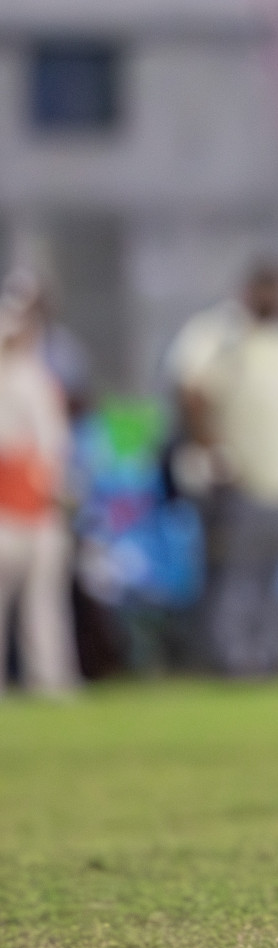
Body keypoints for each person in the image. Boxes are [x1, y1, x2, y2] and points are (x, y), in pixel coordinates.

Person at [164, 263, 278, 676]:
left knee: (276, 578)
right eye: (266, 290)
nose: (274, 299)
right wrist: (214, 454)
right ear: (248, 290)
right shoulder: (221, 333)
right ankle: (230, 659)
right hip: (236, 480)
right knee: (234, 576)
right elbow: (190, 391)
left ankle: (269, 657)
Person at [0, 270, 80, 696]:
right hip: (7, 503)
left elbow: (56, 444)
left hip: (42, 502)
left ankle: (51, 680)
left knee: (45, 605)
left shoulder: (43, 370)